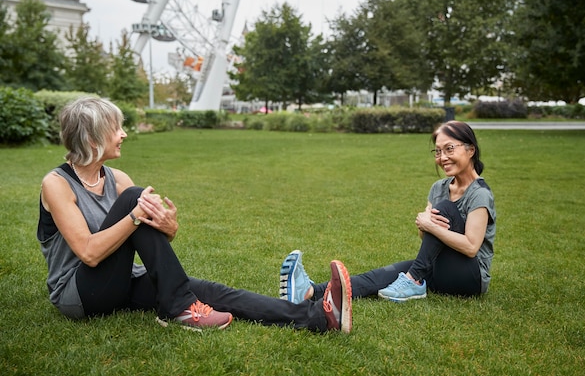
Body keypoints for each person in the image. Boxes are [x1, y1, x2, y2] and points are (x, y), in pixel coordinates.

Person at [38, 97, 352, 333]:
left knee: (212, 291)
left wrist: (168, 226)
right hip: (79, 294)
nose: (124, 134)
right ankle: (179, 307)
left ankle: (317, 317)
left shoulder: (117, 177)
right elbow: (89, 254)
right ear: (92, 139)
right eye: (115, 129)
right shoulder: (57, 184)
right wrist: (136, 215)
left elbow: (152, 239)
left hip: (122, 282)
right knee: (137, 200)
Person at [280, 120, 496, 303]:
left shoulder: (479, 194)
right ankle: (310, 292)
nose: (442, 157)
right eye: (438, 152)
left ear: (470, 149)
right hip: (441, 267)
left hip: (471, 278)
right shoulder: (439, 187)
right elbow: (427, 238)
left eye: (450, 149)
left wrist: (428, 224)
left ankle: (413, 281)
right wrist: (424, 227)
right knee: (383, 274)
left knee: (445, 210)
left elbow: (470, 247)